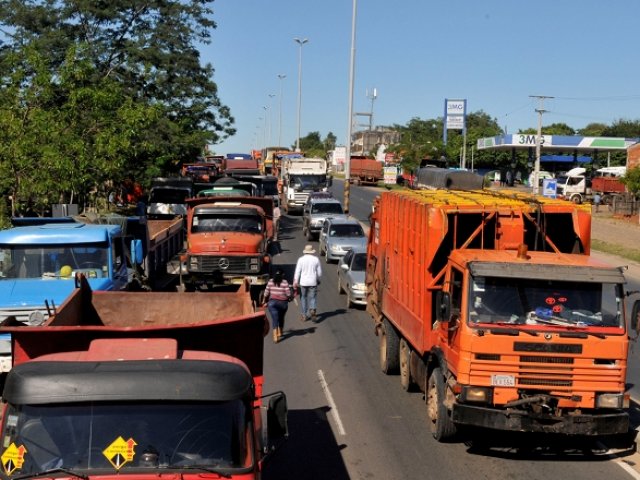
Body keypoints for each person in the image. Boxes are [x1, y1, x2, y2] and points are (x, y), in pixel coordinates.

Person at [293, 244, 322, 322]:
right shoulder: (316, 259)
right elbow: (319, 273)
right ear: (312, 251)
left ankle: (304, 315)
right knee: (312, 297)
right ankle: (312, 309)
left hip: (303, 282)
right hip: (313, 282)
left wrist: (295, 281)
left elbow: (297, 272)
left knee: (303, 297)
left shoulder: (301, 260)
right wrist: (318, 279)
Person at [263, 268, 292, 343]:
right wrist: (290, 297)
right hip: (283, 304)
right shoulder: (285, 282)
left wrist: (264, 300)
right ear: (282, 275)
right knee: (281, 317)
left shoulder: (270, 281)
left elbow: (266, 292)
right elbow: (288, 294)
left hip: (272, 304)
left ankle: (275, 337)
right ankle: (280, 332)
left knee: (274, 319)